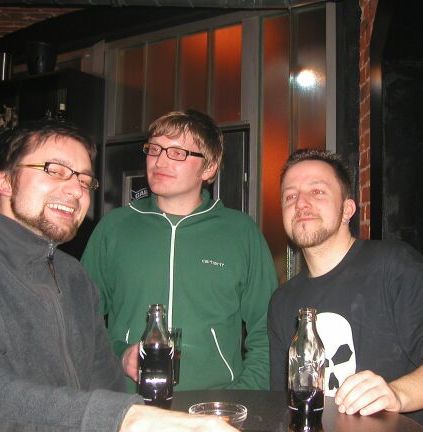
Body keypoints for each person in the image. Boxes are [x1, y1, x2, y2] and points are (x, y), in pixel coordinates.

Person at [0, 120, 257, 432]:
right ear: (5, 181)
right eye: (55, 170)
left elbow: (104, 382)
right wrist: (137, 423)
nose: (75, 189)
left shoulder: (72, 276)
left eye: (84, 179)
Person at [267, 148, 423, 432]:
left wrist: (395, 394)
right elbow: (285, 404)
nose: (301, 203)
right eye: (290, 196)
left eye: (317, 191)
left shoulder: (394, 265)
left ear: (347, 210)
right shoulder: (282, 302)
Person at [82, 110, 277, 392]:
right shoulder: (113, 228)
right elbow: (80, 321)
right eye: (154, 149)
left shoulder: (241, 232)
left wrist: (244, 397)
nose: (160, 161)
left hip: (214, 407)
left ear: (209, 168)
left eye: (177, 153)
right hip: (127, 403)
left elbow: (268, 331)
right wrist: (119, 354)